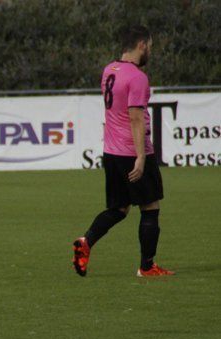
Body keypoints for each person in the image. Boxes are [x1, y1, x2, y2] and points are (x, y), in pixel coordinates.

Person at [72, 25, 174, 278]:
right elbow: (136, 117)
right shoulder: (137, 77)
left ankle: (85, 242)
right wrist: (141, 157)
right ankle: (147, 267)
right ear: (141, 45)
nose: (150, 50)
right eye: (149, 46)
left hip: (112, 152)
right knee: (150, 206)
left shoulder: (110, 70)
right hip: (133, 152)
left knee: (118, 209)